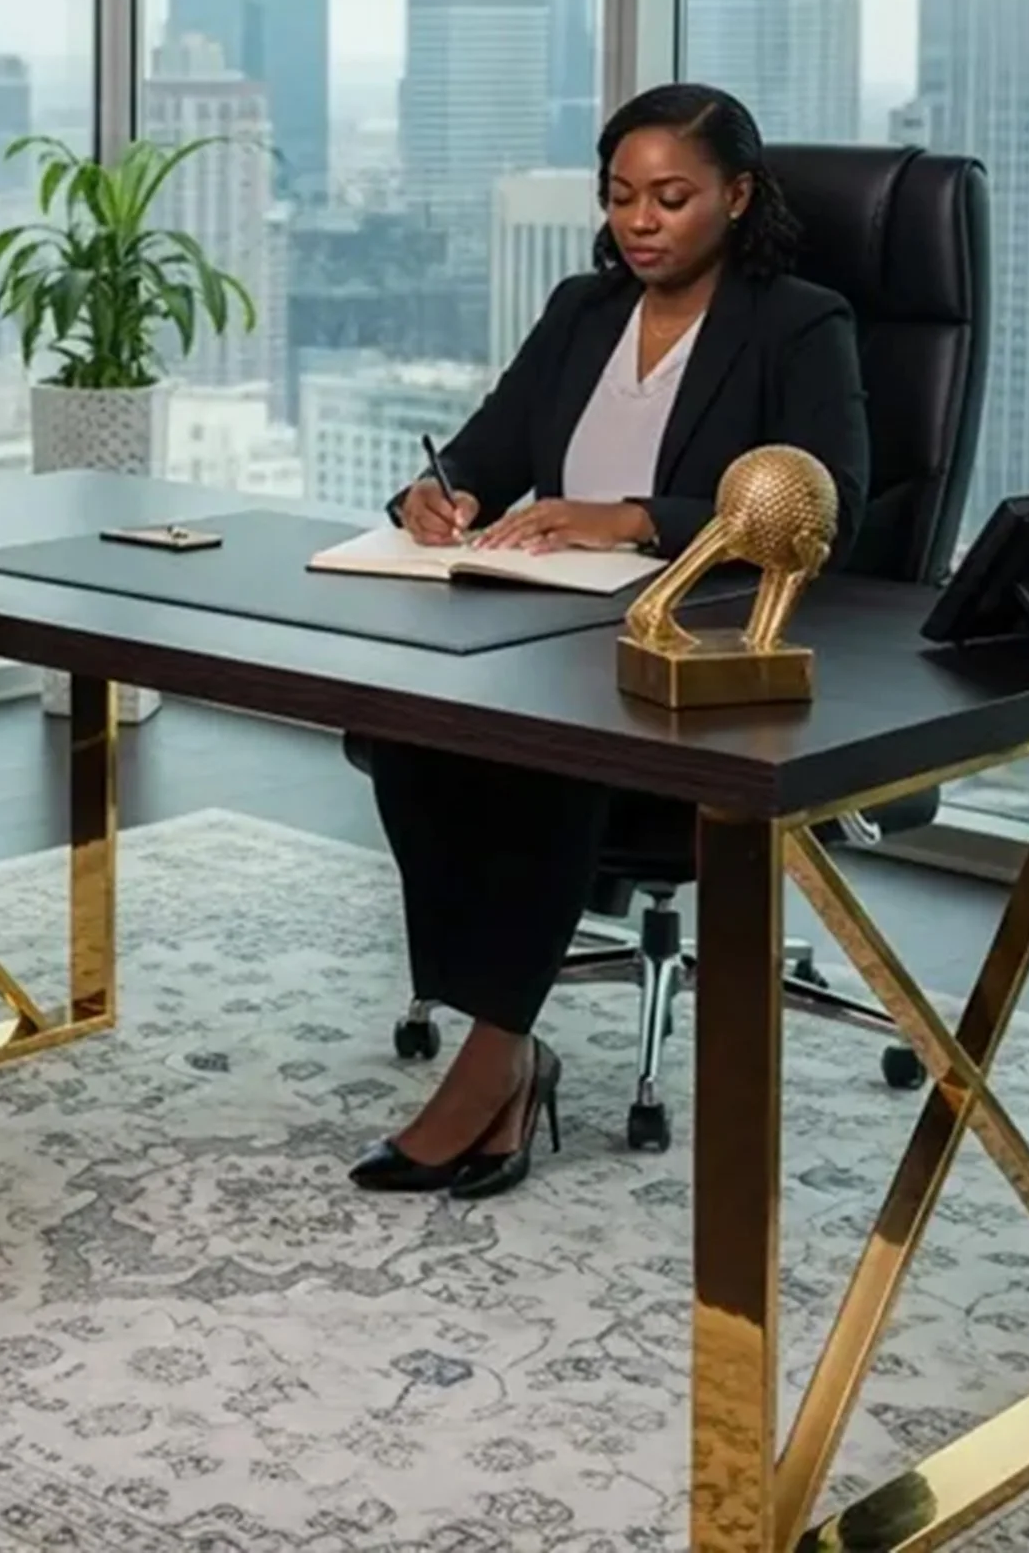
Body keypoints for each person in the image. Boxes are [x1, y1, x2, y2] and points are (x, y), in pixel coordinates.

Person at [350, 84, 868, 1201]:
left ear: (736, 197)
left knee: (551, 751)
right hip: (550, 620)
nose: (640, 221)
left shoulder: (796, 322)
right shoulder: (583, 311)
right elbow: (485, 448)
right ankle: (497, 1032)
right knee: (403, 724)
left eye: (671, 198)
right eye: (621, 195)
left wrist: (632, 517)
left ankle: (494, 1063)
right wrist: (440, 495)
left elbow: (834, 509)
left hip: (698, 636)